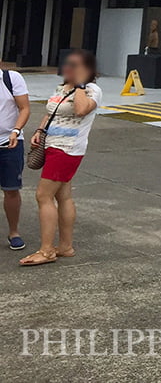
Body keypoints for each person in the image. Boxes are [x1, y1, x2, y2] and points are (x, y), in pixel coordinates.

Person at [19, 50, 101, 266]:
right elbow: (51, 111)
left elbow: (82, 110)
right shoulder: (61, 87)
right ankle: (65, 246)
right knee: (62, 196)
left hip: (67, 149)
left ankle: (46, 251)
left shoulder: (92, 90)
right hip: (52, 145)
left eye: (75, 65)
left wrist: (81, 85)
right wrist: (39, 130)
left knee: (42, 196)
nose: (68, 68)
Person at [0, 66, 31, 251]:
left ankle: (14, 232)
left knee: (11, 190)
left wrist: (16, 130)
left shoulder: (11, 78)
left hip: (9, 142)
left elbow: (25, 108)